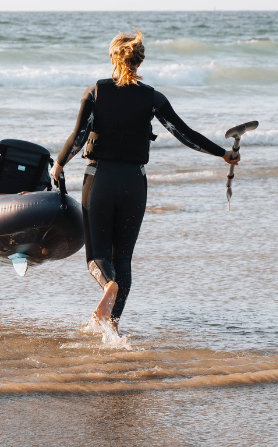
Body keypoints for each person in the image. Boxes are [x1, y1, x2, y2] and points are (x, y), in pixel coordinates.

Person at [52, 29, 239, 334]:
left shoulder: (95, 92)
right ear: (139, 61)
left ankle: (107, 286)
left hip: (99, 178)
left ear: (114, 58)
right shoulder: (152, 97)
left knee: (98, 257)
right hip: (134, 183)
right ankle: (111, 327)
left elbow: (79, 137)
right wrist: (222, 154)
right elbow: (184, 134)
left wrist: (59, 164)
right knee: (122, 258)